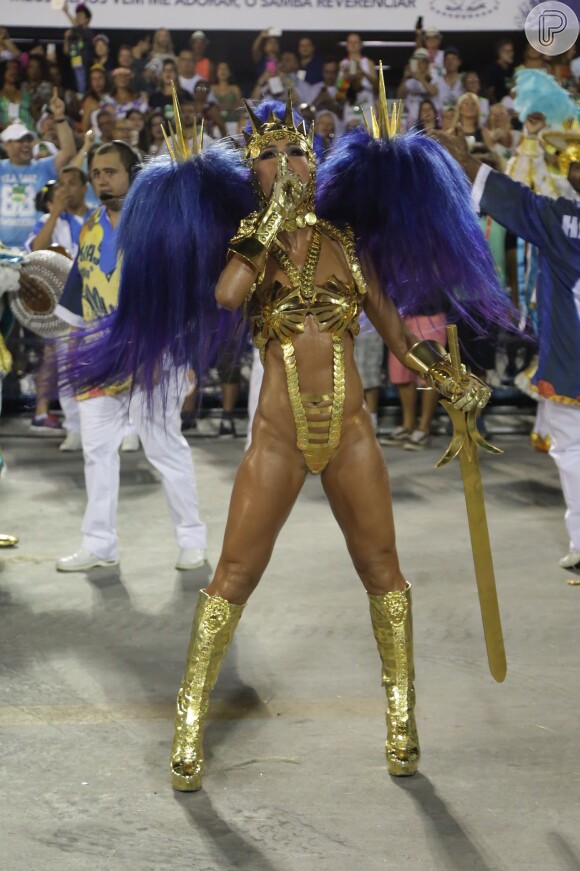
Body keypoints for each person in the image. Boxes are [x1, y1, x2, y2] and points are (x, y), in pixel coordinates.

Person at [65, 90, 507, 791]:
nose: (285, 162)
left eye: (296, 150)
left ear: (317, 159)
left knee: (383, 573)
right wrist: (266, 224)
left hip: (353, 437)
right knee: (232, 578)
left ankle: (401, 713)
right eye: (268, 156)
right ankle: (188, 715)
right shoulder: (246, 244)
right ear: (253, 173)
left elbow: (397, 336)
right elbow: (228, 296)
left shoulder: (347, 243)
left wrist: (453, 379)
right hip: (275, 439)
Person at [42, 141, 207, 572]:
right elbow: (81, 284)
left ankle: (191, 538)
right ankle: (99, 545)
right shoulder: (91, 224)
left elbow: (181, 293)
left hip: (155, 355)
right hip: (100, 358)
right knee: (96, 452)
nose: (101, 180)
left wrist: (177, 354)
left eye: (110, 171)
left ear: (133, 174)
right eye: (95, 173)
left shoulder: (159, 224)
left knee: (164, 447)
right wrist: (77, 350)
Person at [437, 128, 580, 573]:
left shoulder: (559, 220)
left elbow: (514, 200)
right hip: (569, 362)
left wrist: (464, 162)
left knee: (573, 451)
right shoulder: (558, 216)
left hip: (572, 363)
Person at [0, 90, 76, 249]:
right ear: (6, 145)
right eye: (19, 141)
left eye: (28, 140)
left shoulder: (43, 167)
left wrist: (60, 117)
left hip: (37, 248)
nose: (26, 144)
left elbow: (68, 152)